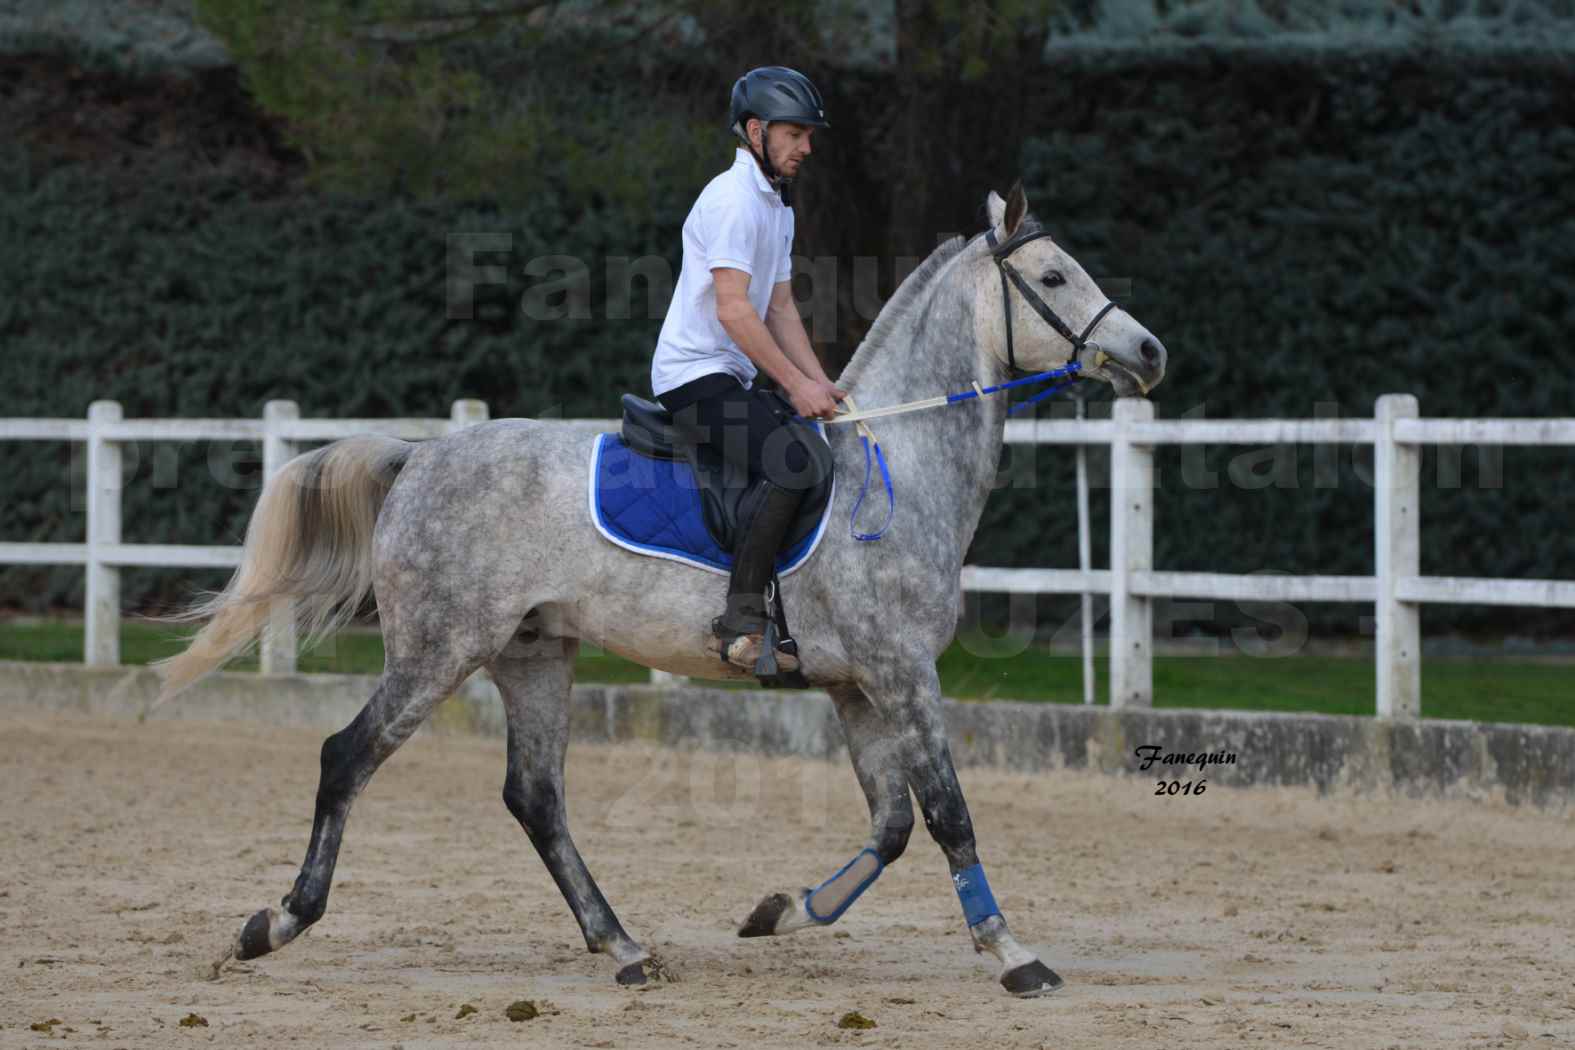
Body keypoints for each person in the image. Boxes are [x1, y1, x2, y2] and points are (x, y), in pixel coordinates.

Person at [650, 65, 844, 672]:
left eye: (809, 136)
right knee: (793, 463)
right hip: (693, 376)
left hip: (728, 375)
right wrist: (793, 384)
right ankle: (738, 622)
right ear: (757, 131)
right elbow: (736, 311)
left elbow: (781, 307)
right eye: (795, 134)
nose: (806, 147)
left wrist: (821, 383)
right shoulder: (732, 199)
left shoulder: (777, 207)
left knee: (813, 448)